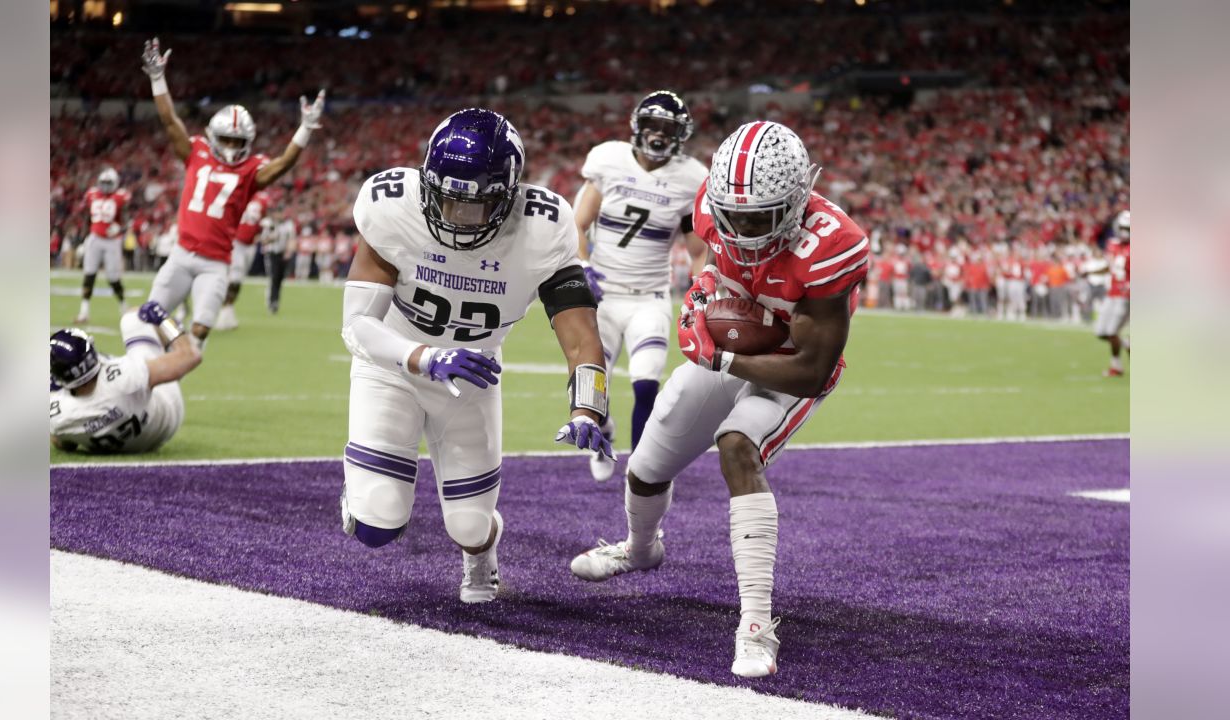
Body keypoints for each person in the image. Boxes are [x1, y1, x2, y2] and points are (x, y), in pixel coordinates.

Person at [570, 121, 869, 679]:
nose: (745, 227)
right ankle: (640, 550)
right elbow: (714, 269)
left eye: (760, 216)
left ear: (798, 198)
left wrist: (723, 359)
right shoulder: (715, 203)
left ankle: (756, 624)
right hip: (731, 348)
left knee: (737, 444)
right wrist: (703, 297)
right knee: (647, 465)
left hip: (789, 364)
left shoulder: (833, 244)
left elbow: (811, 368)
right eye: (735, 215)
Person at [342, 108, 613, 604]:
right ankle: (361, 493)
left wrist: (587, 407)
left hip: (472, 377)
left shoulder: (545, 227)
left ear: (509, 195)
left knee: (469, 524)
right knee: (376, 524)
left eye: (476, 204)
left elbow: (581, 338)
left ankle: (480, 558)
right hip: (395, 367)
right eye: (446, 199)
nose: (457, 216)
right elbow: (358, 326)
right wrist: (426, 356)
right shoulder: (393, 207)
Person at [139, 37, 325, 347]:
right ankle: (170, 348)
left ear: (248, 143)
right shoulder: (196, 151)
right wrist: (158, 80)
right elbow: (170, 121)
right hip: (182, 254)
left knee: (199, 333)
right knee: (149, 319)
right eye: (226, 139)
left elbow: (283, 165)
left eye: (237, 142)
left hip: (215, 262)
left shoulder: (251, 169)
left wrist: (304, 129)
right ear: (213, 136)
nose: (230, 148)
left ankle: (179, 351)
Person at [572, 91, 707, 482]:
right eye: (654, 125)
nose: (659, 134)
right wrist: (582, 265)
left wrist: (699, 289)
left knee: (647, 381)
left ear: (681, 134)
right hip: (604, 294)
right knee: (596, 382)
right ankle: (604, 432)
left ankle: (640, 471)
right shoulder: (609, 160)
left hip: (650, 297)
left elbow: (697, 249)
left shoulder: (689, 178)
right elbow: (577, 224)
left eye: (668, 128)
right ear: (638, 125)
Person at [50, 301, 202, 454]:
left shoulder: (58, 415)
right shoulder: (125, 375)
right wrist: (165, 320)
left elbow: (63, 444)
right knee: (133, 318)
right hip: (166, 416)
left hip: (125, 442)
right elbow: (191, 357)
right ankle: (169, 344)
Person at [74, 168, 131, 324]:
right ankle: (84, 312)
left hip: (112, 241)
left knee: (113, 278)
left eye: (109, 183)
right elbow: (87, 217)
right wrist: (83, 239)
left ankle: (124, 307)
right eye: (103, 183)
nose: (105, 187)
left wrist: (121, 227)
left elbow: (127, 218)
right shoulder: (92, 194)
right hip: (95, 238)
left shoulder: (121, 197)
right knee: (89, 274)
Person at [215, 190, 271, 331]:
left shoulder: (262, 198)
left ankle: (228, 310)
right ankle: (223, 312)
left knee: (238, 280)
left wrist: (262, 230)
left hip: (249, 244)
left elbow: (261, 220)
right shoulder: (239, 191)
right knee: (233, 280)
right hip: (236, 242)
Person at [1096, 210, 1130, 377]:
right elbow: (1110, 266)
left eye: (1128, 228)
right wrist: (1092, 272)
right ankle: (1127, 344)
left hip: (1126, 297)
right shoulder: (1112, 244)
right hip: (1112, 293)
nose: (1125, 232)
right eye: (1123, 227)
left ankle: (1116, 366)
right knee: (1101, 332)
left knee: (1111, 331)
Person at [261, 210, 294, 314]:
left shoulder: (287, 225)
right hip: (272, 254)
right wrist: (272, 238)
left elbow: (291, 239)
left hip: (282, 254)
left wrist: (289, 251)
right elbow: (263, 240)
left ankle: (276, 300)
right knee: (274, 277)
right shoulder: (270, 225)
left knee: (279, 278)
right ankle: (272, 301)